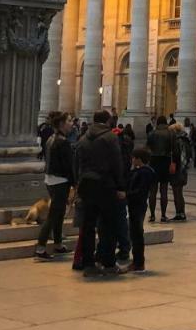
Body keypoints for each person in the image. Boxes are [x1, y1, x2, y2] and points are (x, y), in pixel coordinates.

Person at [74, 110, 127, 277]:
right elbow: (116, 163)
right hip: (105, 185)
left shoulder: (82, 139)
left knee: (88, 226)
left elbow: (77, 164)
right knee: (108, 225)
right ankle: (108, 262)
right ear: (108, 121)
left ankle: (89, 264)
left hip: (86, 185)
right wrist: (120, 186)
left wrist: (78, 184)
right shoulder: (110, 138)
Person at [35, 113, 75, 260]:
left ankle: (58, 244)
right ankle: (40, 248)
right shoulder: (63, 142)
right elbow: (68, 165)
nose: (72, 123)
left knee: (58, 213)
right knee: (53, 216)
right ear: (62, 124)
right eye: (69, 121)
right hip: (60, 181)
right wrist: (74, 183)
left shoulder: (51, 139)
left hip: (51, 179)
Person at [125, 148, 156, 272]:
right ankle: (137, 261)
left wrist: (127, 195)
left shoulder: (144, 173)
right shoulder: (144, 172)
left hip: (137, 204)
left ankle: (138, 262)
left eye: (133, 158)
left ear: (138, 159)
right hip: (138, 204)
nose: (132, 160)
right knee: (135, 232)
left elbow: (140, 191)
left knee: (136, 233)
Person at [146, 118, 173, 222]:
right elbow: (174, 149)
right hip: (165, 162)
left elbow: (147, 148)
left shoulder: (152, 133)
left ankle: (152, 215)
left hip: (153, 162)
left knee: (152, 190)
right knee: (164, 190)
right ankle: (163, 215)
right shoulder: (170, 134)